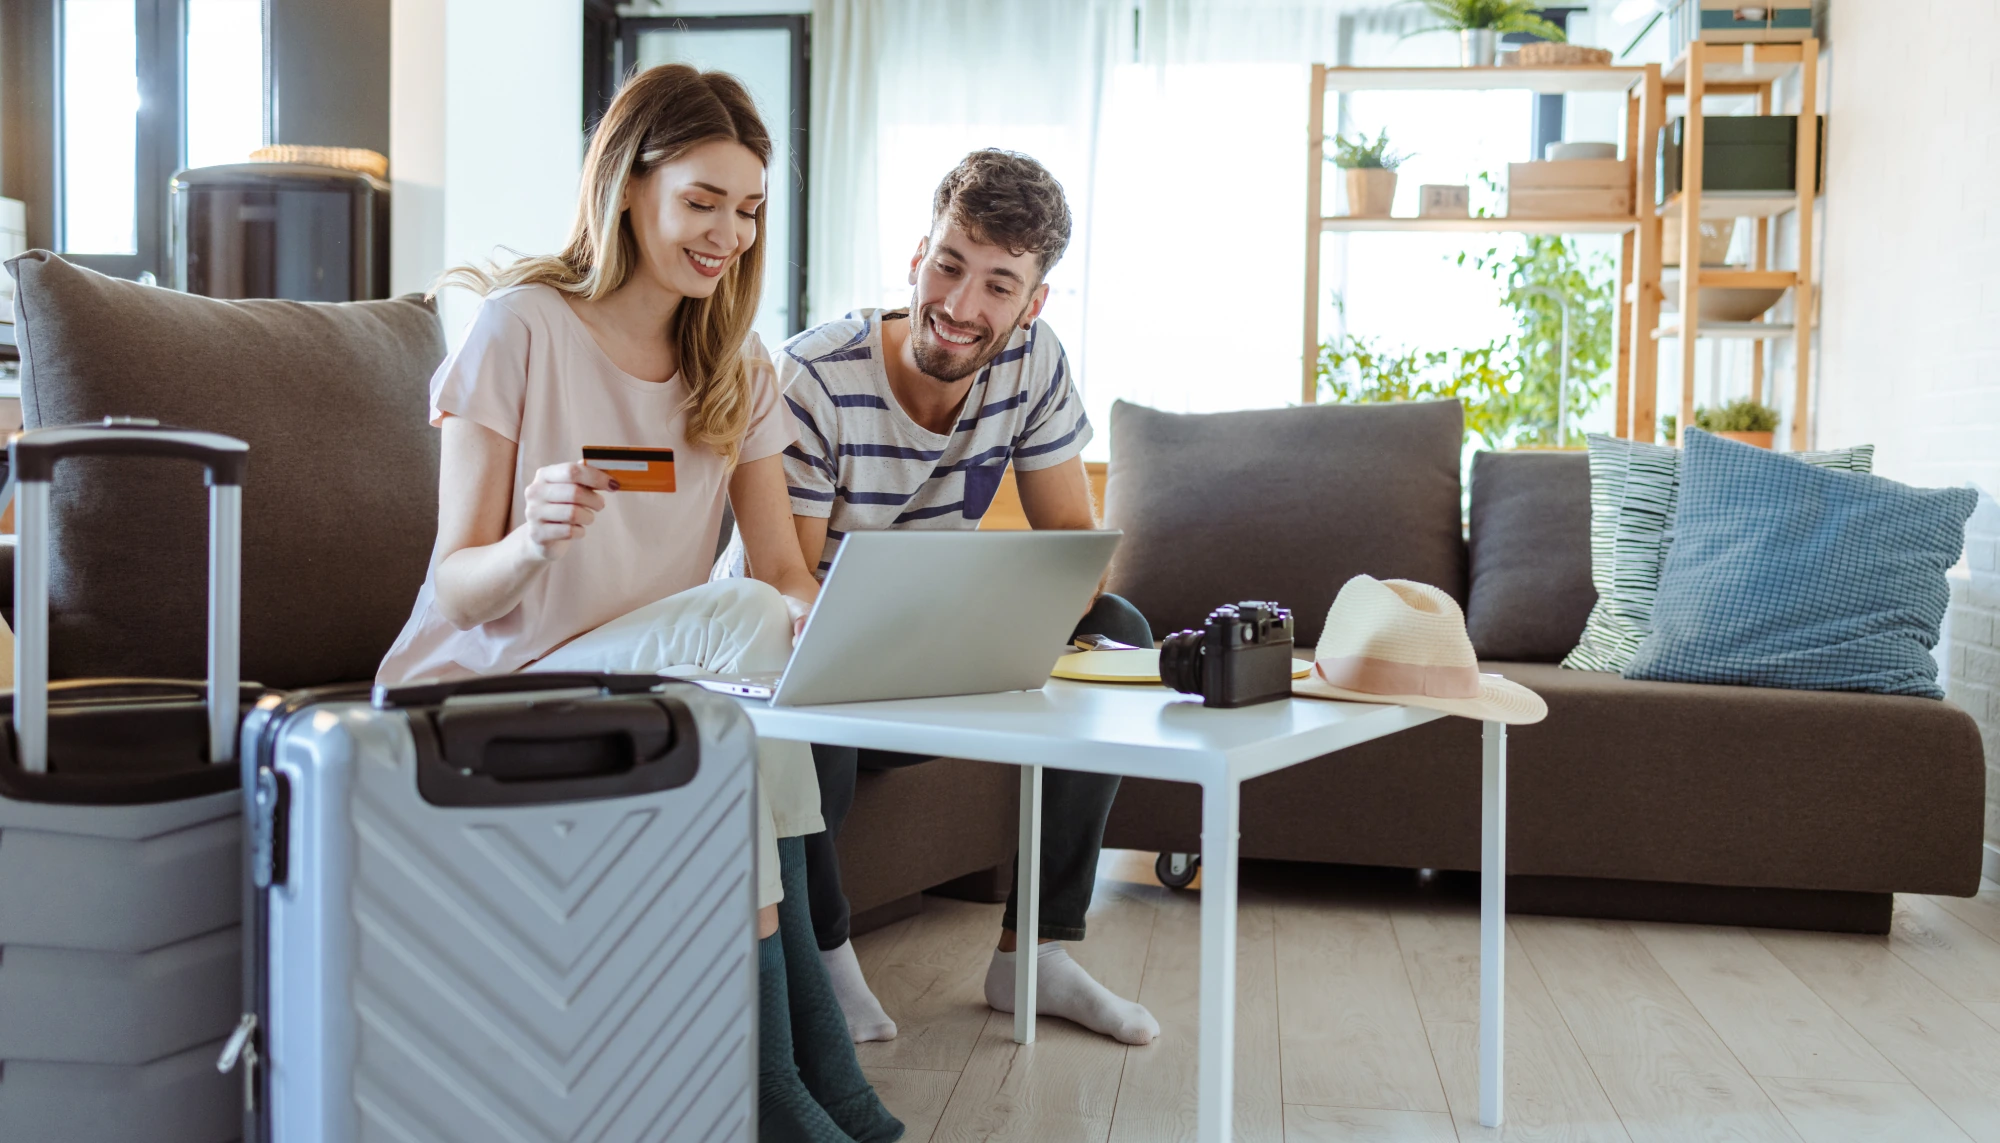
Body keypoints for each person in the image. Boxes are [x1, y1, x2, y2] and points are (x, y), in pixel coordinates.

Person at [376, 65, 900, 1143]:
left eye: (747, 210)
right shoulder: (521, 328)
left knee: (760, 649)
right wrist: (530, 540)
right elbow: (453, 582)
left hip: (644, 685)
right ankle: (799, 1080)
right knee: (743, 643)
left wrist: (823, 621)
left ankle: (803, 1077)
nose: (727, 234)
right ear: (627, 185)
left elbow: (779, 572)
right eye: (701, 202)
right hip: (478, 687)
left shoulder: (738, 371)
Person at [778, 149, 1160, 1048]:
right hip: (816, 656)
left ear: (1032, 303)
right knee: (804, 674)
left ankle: (1038, 951)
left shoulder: (1031, 361)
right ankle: (824, 958)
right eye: (949, 265)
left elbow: (1076, 548)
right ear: (917, 256)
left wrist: (1009, 611)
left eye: (997, 285)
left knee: (1120, 630)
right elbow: (787, 584)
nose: (959, 305)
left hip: (936, 657)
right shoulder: (815, 377)